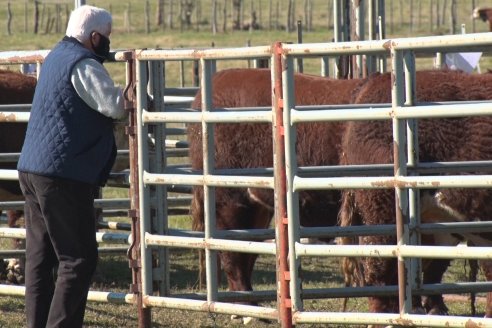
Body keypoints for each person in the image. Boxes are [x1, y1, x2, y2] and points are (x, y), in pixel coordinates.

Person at [17, 5, 127, 328]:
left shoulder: (54, 57)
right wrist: (131, 96)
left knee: (40, 259)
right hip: (61, 173)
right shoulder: (82, 63)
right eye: (105, 37)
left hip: (33, 168)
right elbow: (115, 105)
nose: (106, 43)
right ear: (93, 37)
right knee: (78, 259)